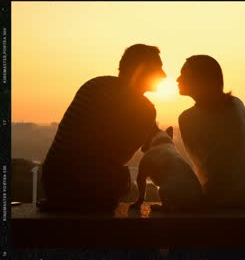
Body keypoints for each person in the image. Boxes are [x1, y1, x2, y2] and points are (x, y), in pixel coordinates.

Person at [39, 44, 166, 211]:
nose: (164, 75)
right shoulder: (145, 110)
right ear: (142, 71)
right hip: (92, 191)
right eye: (158, 69)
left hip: (54, 181)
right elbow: (121, 156)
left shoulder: (94, 85)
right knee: (122, 177)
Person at [177, 55, 245, 207]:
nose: (177, 79)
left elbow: (201, 167)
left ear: (198, 79)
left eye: (183, 74)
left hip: (219, 197)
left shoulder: (187, 118)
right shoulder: (236, 104)